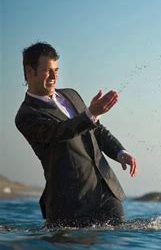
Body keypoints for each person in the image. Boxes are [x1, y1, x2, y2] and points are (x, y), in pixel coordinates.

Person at [15, 42, 138, 227]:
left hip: (106, 193)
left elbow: (96, 129)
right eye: (48, 70)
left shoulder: (71, 95)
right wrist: (91, 114)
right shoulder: (26, 114)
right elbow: (59, 132)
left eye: (56, 69)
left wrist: (120, 152)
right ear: (30, 71)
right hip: (70, 205)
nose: (54, 76)